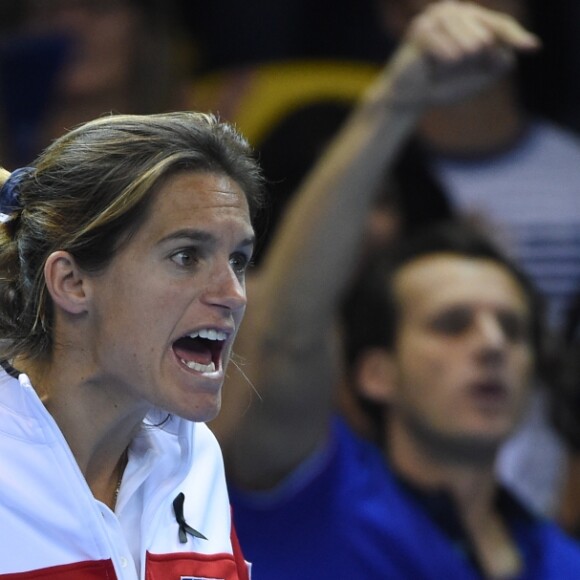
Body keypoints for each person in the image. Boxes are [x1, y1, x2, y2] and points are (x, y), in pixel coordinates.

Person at [230, 221, 580, 579]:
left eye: (513, 329)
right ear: (377, 374)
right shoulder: (312, 497)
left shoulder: (567, 564)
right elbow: (288, 337)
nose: (493, 344)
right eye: (453, 324)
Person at [0, 111, 264, 578]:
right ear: (72, 282)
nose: (233, 294)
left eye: (238, 259)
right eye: (186, 256)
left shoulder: (194, 458)